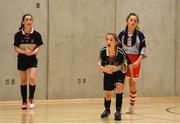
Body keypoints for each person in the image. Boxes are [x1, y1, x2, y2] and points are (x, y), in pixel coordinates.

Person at [99, 32, 133, 120]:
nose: (108, 41)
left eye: (111, 40)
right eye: (107, 39)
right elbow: (100, 66)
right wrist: (107, 70)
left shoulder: (121, 52)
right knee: (108, 94)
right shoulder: (103, 51)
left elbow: (128, 64)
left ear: (116, 42)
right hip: (108, 72)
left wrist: (132, 77)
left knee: (119, 88)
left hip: (119, 72)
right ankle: (107, 110)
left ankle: (118, 111)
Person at [118, 12, 147, 114]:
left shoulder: (140, 35)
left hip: (135, 59)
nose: (133, 22)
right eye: (131, 20)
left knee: (132, 82)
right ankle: (119, 107)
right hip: (123, 59)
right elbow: (118, 49)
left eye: (135, 20)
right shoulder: (121, 34)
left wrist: (138, 61)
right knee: (120, 82)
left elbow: (143, 49)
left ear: (137, 22)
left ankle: (131, 106)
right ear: (127, 21)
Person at [13, 14, 43, 109]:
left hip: (32, 59)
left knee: (32, 78)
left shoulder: (37, 34)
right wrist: (24, 52)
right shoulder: (18, 35)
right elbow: (16, 49)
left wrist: (33, 52)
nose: (29, 21)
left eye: (30, 19)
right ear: (23, 22)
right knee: (23, 81)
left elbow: (38, 47)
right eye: (27, 19)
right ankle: (24, 102)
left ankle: (31, 99)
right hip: (21, 59)